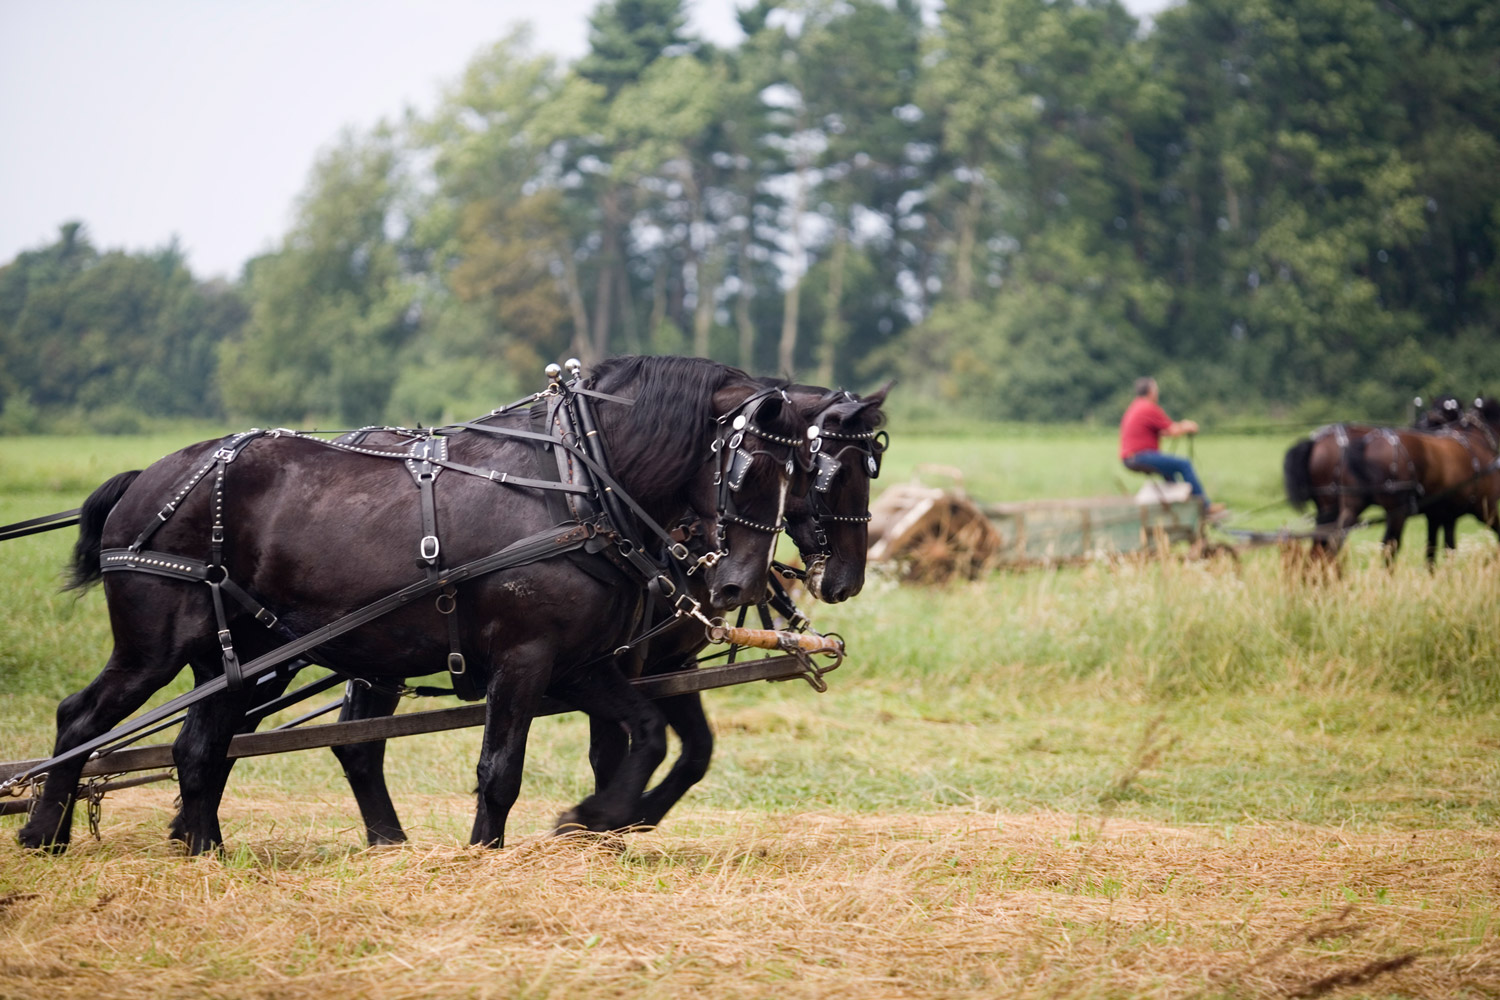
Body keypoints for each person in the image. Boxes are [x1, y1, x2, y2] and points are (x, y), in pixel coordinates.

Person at [1119, 377, 1224, 517]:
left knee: (1169, 472)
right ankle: (1205, 507)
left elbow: (1165, 431)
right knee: (1184, 464)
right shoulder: (1148, 407)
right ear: (1151, 391)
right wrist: (1187, 426)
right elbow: (1172, 430)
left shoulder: (1135, 406)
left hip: (1130, 457)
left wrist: (1180, 428)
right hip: (1140, 456)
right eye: (1156, 389)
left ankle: (1177, 508)